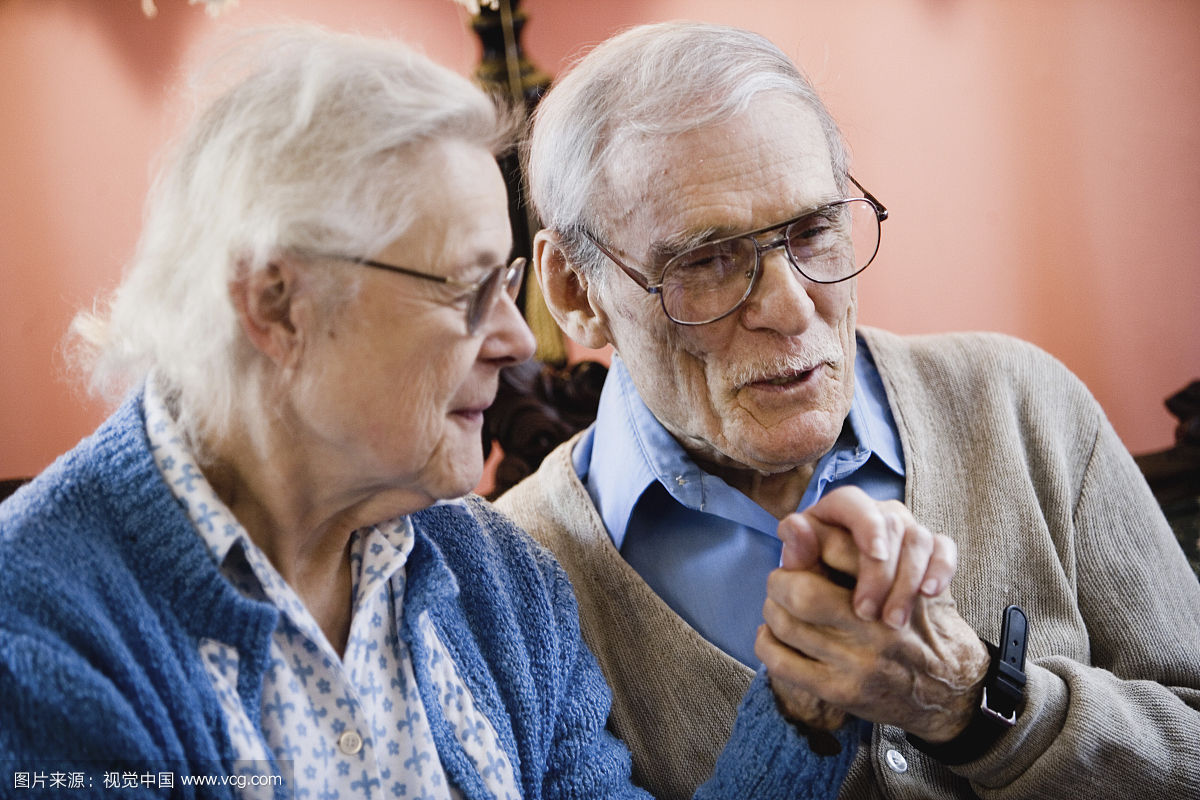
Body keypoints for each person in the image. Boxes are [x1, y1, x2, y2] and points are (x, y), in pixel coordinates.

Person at [0, 25, 873, 800]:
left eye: (509, 286)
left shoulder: (501, 580)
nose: (517, 342)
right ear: (277, 305)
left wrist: (806, 698)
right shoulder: (38, 639)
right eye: (465, 287)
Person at [497, 20, 1200, 800]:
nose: (792, 307)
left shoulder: (1020, 404)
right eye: (706, 260)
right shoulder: (513, 574)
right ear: (573, 292)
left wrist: (982, 707)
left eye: (815, 230)